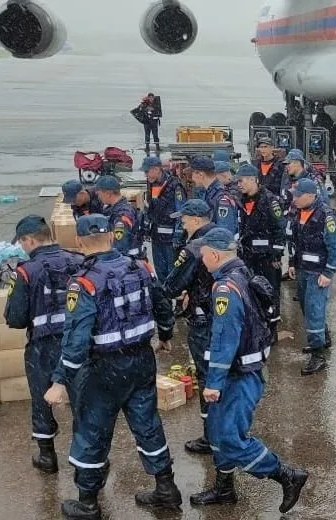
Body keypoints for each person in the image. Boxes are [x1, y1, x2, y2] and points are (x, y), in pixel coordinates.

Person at [44, 214, 179, 519]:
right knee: (147, 424)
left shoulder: (83, 282)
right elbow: (161, 303)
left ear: (78, 242)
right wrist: (165, 335)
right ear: (111, 236)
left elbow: (76, 338)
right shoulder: (141, 267)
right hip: (141, 359)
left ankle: (88, 502)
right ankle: (166, 487)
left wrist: (60, 380)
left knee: (92, 432)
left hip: (103, 369)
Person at [187, 228, 309, 513]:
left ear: (214, 255)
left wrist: (213, 382)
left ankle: (286, 475)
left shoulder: (225, 289)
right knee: (217, 432)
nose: (202, 260)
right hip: (241, 370)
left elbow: (224, 339)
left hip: (237, 376)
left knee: (230, 439)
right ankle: (224, 488)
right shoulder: (241, 273)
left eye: (203, 255)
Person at [4, 215, 84, 474]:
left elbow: (15, 318)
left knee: (42, 398)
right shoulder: (79, 261)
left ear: (29, 240)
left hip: (43, 345)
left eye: (22, 242)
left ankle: (47, 455)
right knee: (83, 397)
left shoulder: (25, 272)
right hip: (78, 341)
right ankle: (90, 457)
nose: (22, 247)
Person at [161, 199, 217, 455]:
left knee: (207, 377)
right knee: (223, 373)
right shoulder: (223, 238)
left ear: (195, 220)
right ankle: (228, 427)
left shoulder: (193, 248)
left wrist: (183, 290)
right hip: (222, 315)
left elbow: (171, 285)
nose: (182, 226)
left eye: (184, 221)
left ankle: (212, 436)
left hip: (203, 320)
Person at [287, 179, 336, 375]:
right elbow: (294, 240)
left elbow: (335, 246)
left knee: (314, 311)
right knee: (306, 308)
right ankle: (322, 337)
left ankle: (318, 356)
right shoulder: (297, 212)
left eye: (298, 195)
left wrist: (329, 272)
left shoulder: (326, 215)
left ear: (310, 195)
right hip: (303, 269)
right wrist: (292, 263)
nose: (294, 199)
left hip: (318, 272)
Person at [235, 163, 287, 320]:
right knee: (250, 290)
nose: (238, 184)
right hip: (247, 255)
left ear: (253, 179)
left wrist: (277, 255)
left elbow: (280, 229)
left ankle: (272, 322)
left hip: (267, 257)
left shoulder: (270, 201)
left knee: (269, 291)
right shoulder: (240, 200)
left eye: (241, 180)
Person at [141, 155, 186, 280]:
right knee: (160, 272)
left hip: (170, 240)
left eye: (147, 171)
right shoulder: (152, 184)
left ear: (156, 169)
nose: (145, 175)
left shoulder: (175, 185)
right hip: (156, 237)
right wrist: (145, 227)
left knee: (172, 273)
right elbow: (151, 207)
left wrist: (178, 237)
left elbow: (181, 212)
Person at [95, 175, 143, 259]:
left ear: (108, 194)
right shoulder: (114, 209)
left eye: (99, 194)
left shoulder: (122, 215)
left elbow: (120, 243)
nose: (99, 197)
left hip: (127, 260)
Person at [191, 155, 239, 234]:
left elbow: (224, 233)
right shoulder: (209, 193)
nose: (191, 178)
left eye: (192, 173)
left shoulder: (222, 198)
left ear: (201, 174)